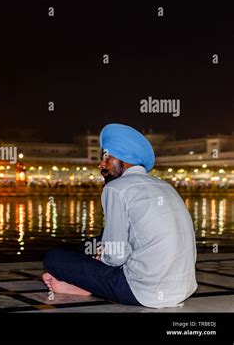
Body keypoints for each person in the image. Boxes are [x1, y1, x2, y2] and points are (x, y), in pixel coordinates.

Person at [43, 123, 197, 308]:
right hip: (183, 288)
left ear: (124, 158)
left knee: (54, 258)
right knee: (89, 245)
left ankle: (85, 285)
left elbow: (116, 257)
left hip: (142, 291)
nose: (101, 164)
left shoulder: (115, 188)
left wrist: (102, 257)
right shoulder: (165, 186)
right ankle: (85, 282)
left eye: (107, 158)